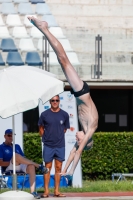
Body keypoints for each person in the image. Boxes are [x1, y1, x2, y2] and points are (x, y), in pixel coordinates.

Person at [28, 16, 98, 181]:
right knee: (63, 60)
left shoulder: (84, 134)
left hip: (78, 93)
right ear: (85, 140)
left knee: (62, 61)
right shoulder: (91, 129)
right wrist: (73, 172)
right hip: (82, 92)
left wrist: (64, 171)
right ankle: (44, 28)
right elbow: (79, 151)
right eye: (78, 140)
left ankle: (44, 29)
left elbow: (74, 151)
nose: (76, 138)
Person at [0, 129, 49, 199]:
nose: (11, 137)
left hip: (19, 165)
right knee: (15, 156)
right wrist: (14, 161)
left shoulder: (17, 146)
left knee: (31, 166)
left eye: (12, 135)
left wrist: (20, 161)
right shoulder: (1, 147)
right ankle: (38, 166)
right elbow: (0, 163)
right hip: (9, 167)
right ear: (4, 136)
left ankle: (33, 192)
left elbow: (23, 159)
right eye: (9, 135)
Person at [38, 95, 70, 197]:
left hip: (60, 145)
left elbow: (65, 129)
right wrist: (46, 138)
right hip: (48, 145)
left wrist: (57, 136)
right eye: (53, 100)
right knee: (47, 167)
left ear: (59, 101)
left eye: (56, 100)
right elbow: (41, 128)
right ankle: (46, 191)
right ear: (50, 102)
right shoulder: (44, 114)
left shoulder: (64, 114)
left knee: (58, 167)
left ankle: (56, 191)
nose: (55, 102)